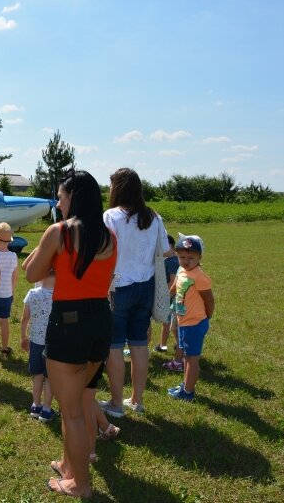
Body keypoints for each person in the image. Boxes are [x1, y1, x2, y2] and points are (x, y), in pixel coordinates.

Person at [25, 169, 116, 498]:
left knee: (72, 410)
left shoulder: (59, 232)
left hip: (69, 322)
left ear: (72, 197)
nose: (59, 204)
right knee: (82, 399)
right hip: (101, 321)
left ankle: (80, 484)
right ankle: (69, 465)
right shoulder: (109, 236)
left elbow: (31, 272)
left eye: (61, 198)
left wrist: (47, 248)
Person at [100, 167, 170, 418]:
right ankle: (136, 400)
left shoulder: (111, 216)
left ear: (118, 188)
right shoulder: (154, 216)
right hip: (146, 287)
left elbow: (103, 251)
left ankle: (116, 403)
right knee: (140, 343)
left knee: (115, 346)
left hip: (119, 287)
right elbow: (165, 250)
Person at [167, 234, 215, 402]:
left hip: (194, 323)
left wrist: (207, 316)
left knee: (192, 358)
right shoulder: (183, 271)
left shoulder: (199, 276)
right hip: (183, 322)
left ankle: (188, 392)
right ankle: (186, 384)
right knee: (187, 356)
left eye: (190, 258)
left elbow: (209, 299)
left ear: (199, 257)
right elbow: (174, 288)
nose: (185, 261)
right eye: (181, 257)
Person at [20, 271, 56, 422]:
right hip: (53, 344)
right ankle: (46, 410)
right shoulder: (60, 297)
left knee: (37, 374)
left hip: (35, 341)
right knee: (50, 377)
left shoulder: (32, 293)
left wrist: (23, 336)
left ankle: (36, 405)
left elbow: (24, 318)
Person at [0, 222, 19, 355]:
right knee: (4, 322)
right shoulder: (13, 256)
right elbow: (15, 277)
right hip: (7, 295)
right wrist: (11, 291)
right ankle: (5, 348)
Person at [153, 234, 179, 353]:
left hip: (171, 297)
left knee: (167, 322)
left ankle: (163, 345)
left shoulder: (172, 262)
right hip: (172, 296)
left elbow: (173, 281)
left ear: (170, 246)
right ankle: (175, 344)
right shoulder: (172, 260)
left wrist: (165, 296)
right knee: (171, 323)